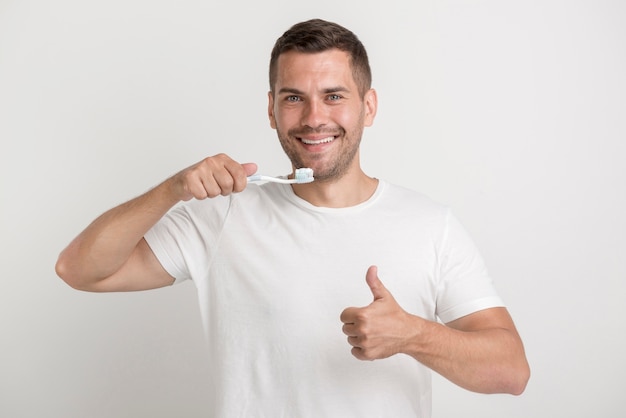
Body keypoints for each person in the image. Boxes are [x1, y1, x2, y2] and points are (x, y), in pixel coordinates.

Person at [56, 18, 529, 417]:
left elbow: (511, 371)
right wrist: (172, 190)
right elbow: (78, 269)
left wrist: (414, 335)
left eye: (334, 96)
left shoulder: (430, 225)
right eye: (294, 98)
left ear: (369, 106)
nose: (313, 118)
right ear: (271, 109)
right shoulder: (222, 217)